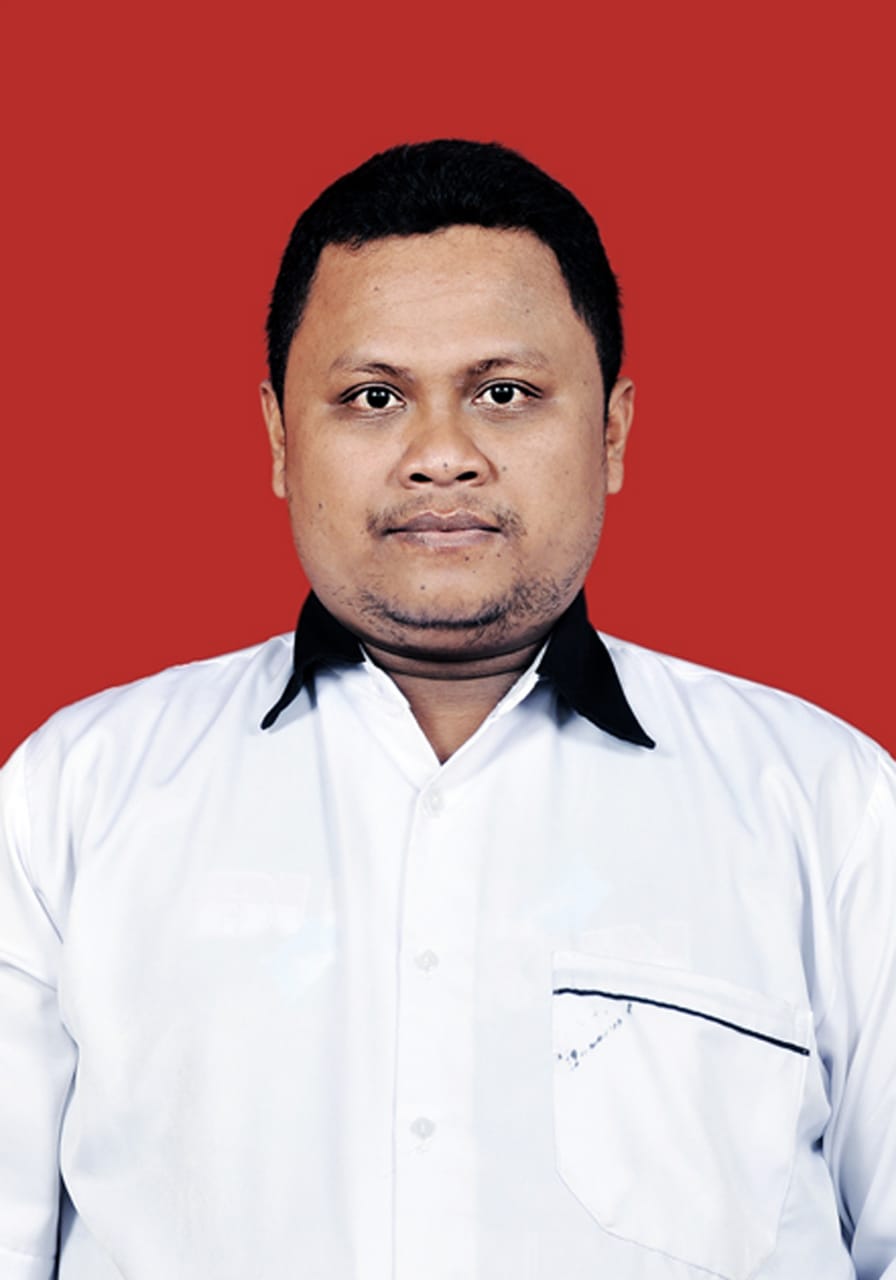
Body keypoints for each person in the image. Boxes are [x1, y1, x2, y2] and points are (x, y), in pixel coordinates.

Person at [0, 140, 893, 1280]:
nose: (440, 456)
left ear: (612, 431)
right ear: (280, 438)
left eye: (503, 393)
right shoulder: (73, 802)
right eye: (372, 397)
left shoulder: (828, 807)